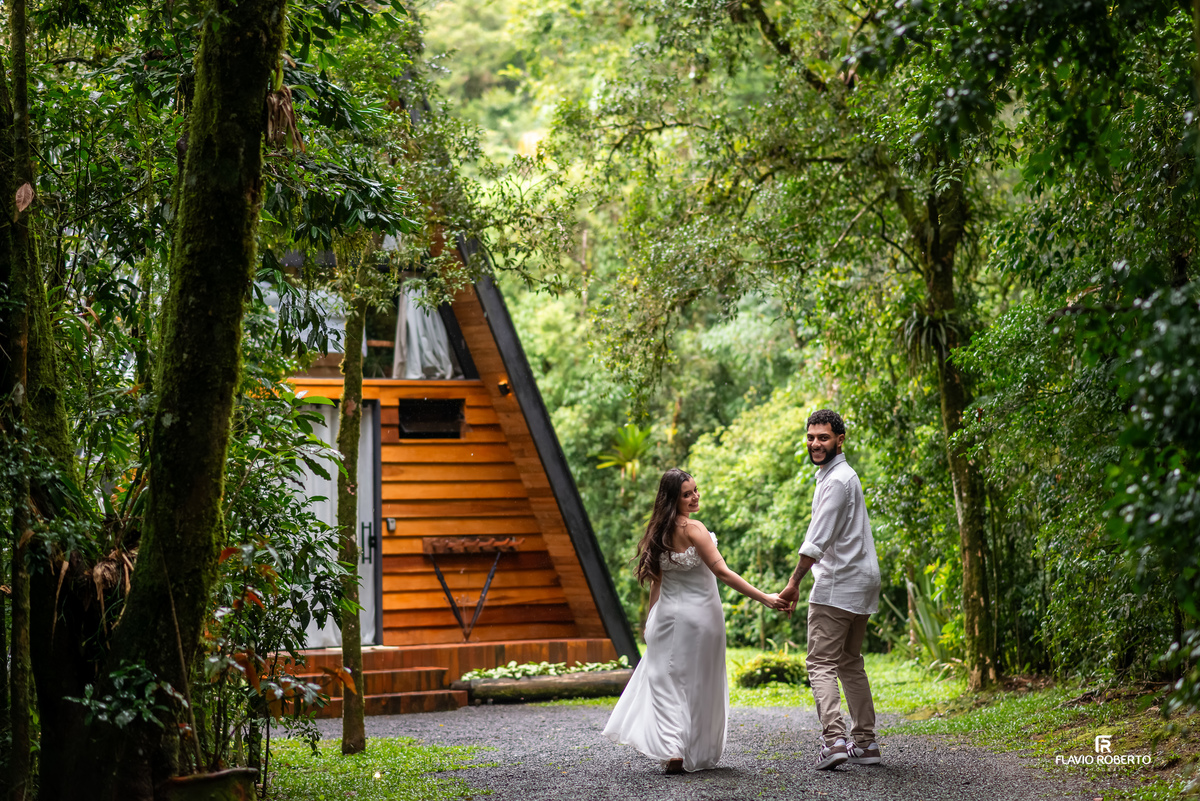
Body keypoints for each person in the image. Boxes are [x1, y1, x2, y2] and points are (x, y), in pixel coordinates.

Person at [603, 468, 789, 774]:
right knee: (698, 684)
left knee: (665, 681)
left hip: (667, 618)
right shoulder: (695, 530)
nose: (695, 497)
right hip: (701, 619)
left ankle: (673, 746)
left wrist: (651, 620)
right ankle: (682, 749)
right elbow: (722, 572)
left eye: (695, 490)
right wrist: (765, 597)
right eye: (687, 494)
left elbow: (656, 585)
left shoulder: (658, 532)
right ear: (673, 499)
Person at [779, 409, 882, 771]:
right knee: (849, 662)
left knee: (820, 662)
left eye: (823, 437)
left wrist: (793, 583)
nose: (815, 443)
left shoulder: (837, 480)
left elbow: (816, 540)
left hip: (840, 583)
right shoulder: (838, 476)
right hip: (860, 582)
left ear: (840, 439)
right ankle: (865, 744)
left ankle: (835, 739)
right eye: (810, 437)